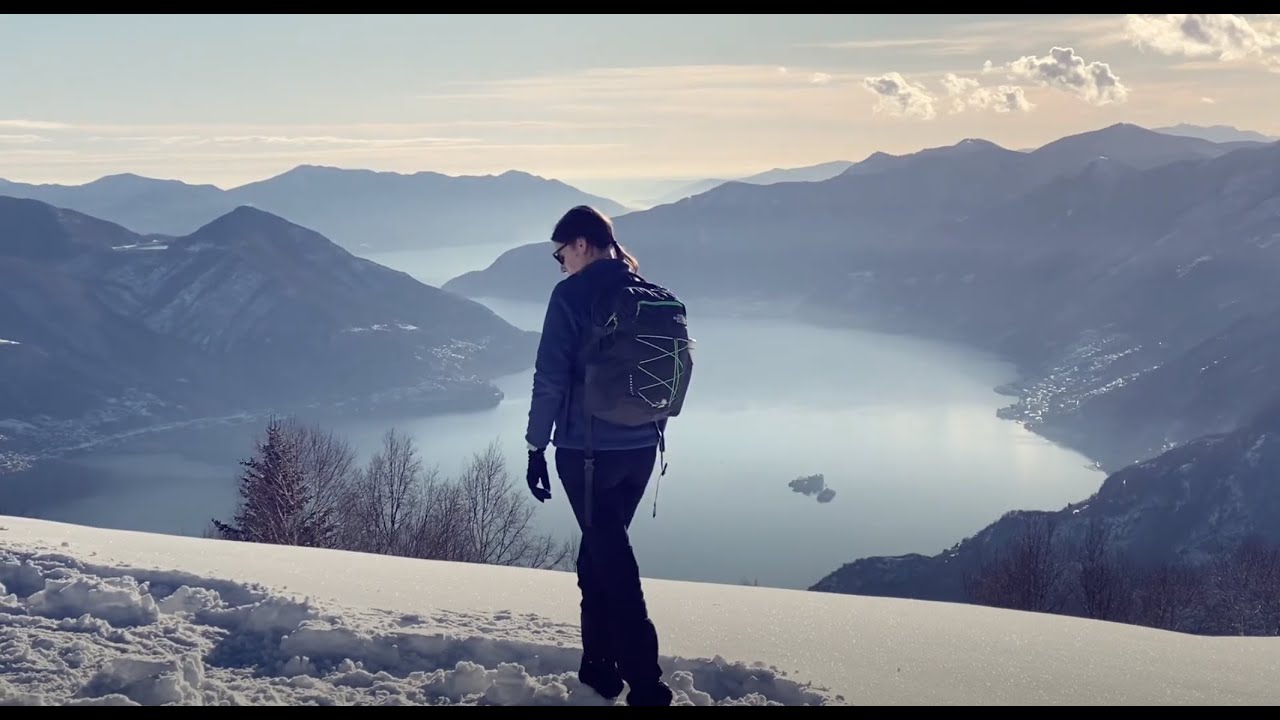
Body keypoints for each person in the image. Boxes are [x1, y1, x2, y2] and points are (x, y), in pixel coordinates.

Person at [524, 205, 674, 706]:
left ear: (582, 245)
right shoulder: (648, 292)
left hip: (588, 453)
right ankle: (598, 664)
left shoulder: (573, 295)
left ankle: (646, 682)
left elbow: (549, 378)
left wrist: (534, 446)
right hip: (642, 448)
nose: (560, 263)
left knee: (613, 562)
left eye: (560, 253)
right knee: (598, 553)